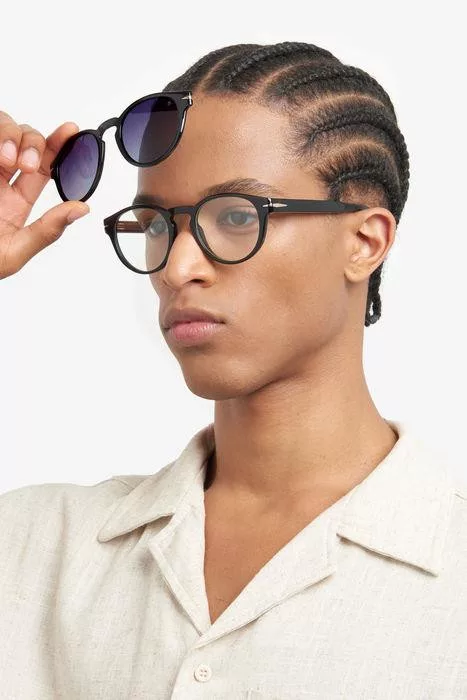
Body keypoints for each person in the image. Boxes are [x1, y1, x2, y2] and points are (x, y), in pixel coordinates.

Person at [0, 40, 466, 699]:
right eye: (156, 225)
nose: (176, 267)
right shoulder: (30, 548)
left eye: (237, 216)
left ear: (365, 241)